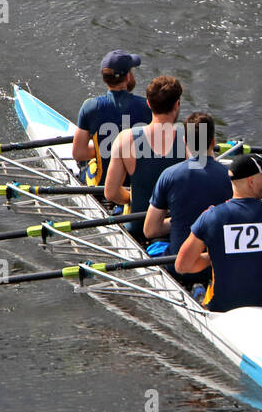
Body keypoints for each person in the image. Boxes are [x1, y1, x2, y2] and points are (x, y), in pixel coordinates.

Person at [174, 154, 262, 312]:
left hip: (220, 310)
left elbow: (183, 266)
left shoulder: (211, 217)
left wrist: (215, 256)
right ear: (251, 182)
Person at [143, 112, 231, 273]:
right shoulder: (232, 178)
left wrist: (179, 220)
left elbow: (150, 230)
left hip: (180, 265)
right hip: (219, 266)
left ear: (185, 141)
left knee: (155, 240)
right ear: (213, 141)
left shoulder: (169, 175)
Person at [104, 76, 186, 242]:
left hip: (138, 227)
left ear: (148, 104)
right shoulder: (191, 138)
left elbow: (111, 193)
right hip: (177, 227)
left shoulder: (126, 139)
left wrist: (130, 198)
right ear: (177, 104)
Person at [71, 50, 153, 185]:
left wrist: (103, 150)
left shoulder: (90, 106)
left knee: (88, 164)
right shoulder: (148, 107)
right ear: (127, 76)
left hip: (102, 185)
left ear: (104, 79)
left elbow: (78, 154)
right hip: (136, 186)